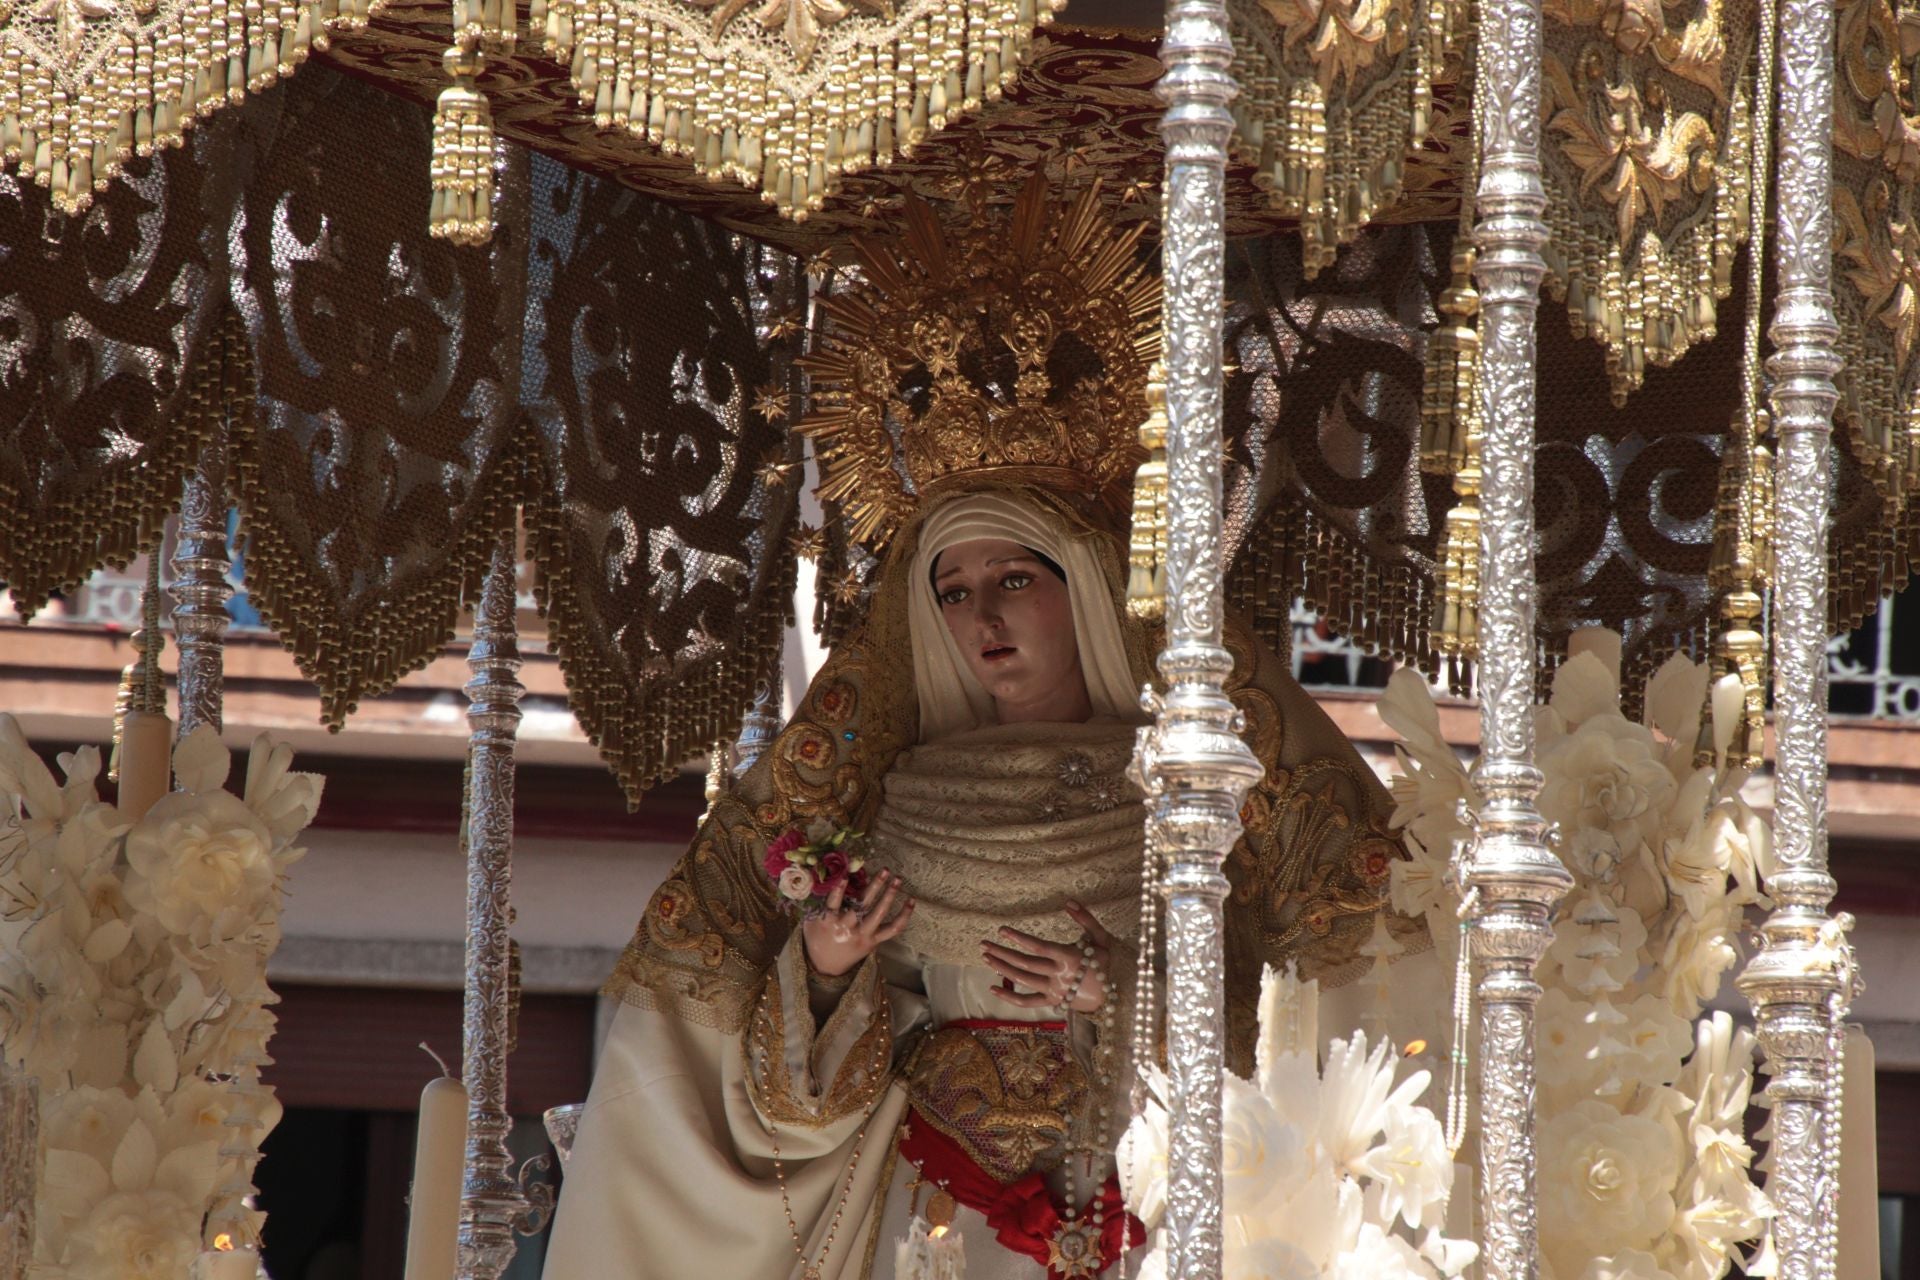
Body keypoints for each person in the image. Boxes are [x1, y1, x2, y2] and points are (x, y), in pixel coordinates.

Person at [540, 485, 1432, 1280]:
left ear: (1082, 588)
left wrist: (1113, 992)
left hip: (1141, 1187)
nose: (982, 620)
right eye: (954, 593)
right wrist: (826, 967)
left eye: (1013, 581)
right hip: (940, 1208)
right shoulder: (909, 799)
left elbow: (1270, 1013)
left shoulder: (1185, 792)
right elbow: (847, 1061)